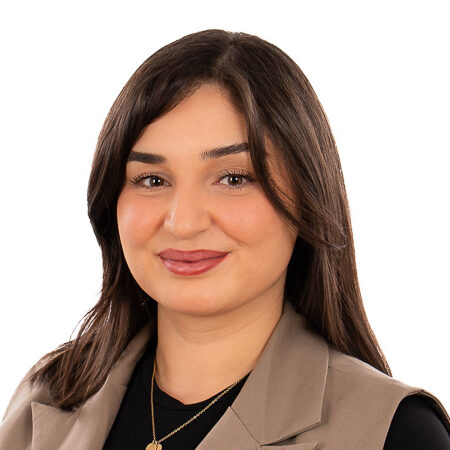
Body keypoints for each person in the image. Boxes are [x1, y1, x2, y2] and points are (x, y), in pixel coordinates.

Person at [0, 29, 449, 450]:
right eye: (152, 180)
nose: (183, 222)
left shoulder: (396, 433)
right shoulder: (48, 397)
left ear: (307, 197)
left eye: (233, 178)